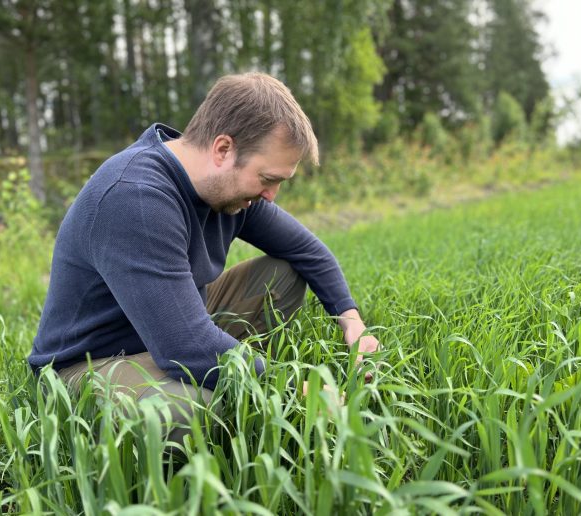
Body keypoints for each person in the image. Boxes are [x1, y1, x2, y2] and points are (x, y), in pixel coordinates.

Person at [28, 72, 379, 442]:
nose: (272, 195)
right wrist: (296, 388)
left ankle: (226, 370)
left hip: (171, 328)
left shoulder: (229, 188)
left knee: (285, 272)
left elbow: (308, 251)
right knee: (193, 412)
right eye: (267, 178)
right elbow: (186, 346)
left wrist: (351, 321)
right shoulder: (135, 198)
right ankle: (220, 380)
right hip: (92, 362)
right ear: (223, 149)